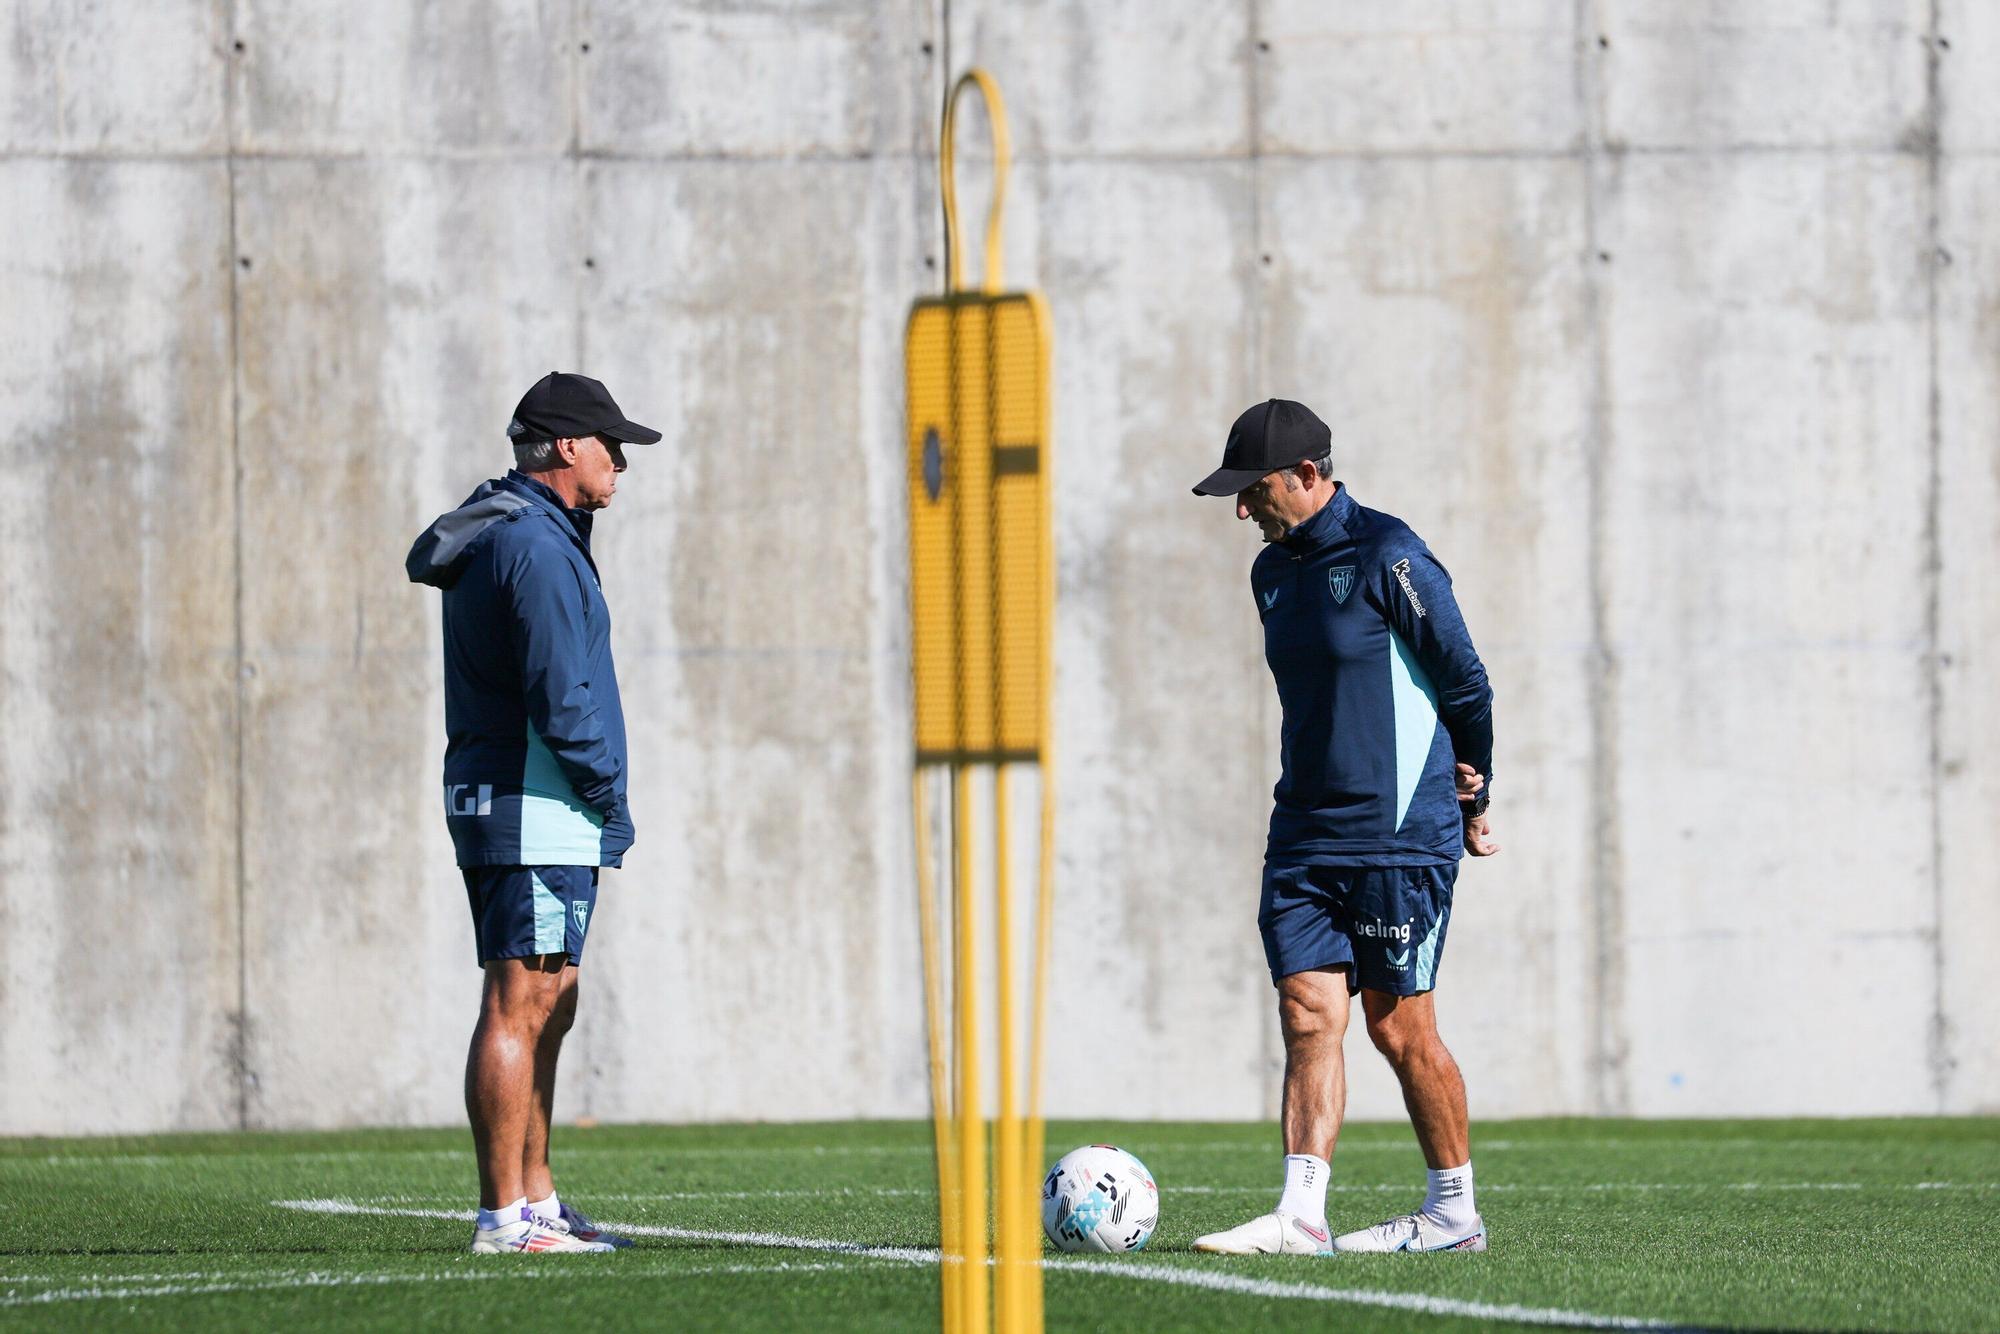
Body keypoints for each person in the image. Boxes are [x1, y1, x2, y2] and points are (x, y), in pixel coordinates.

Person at [1187, 399, 1499, 1256]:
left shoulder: (1389, 553)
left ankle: (1453, 1215)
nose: (1243, 510)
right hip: (1304, 833)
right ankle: (1301, 1215)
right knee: (1306, 1011)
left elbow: (1465, 683)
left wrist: (1475, 795)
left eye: (1253, 492)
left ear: (1309, 475)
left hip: (1399, 832)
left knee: (1397, 1025)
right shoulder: (1271, 575)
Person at [405, 371, 661, 1254]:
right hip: (535, 798)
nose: (621, 462)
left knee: (555, 993)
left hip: (518, 795)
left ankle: (537, 1198)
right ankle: (506, 1218)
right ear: (564, 448)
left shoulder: (521, 532)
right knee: (521, 999)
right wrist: (606, 792)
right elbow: (562, 697)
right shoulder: (540, 550)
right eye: (609, 444)